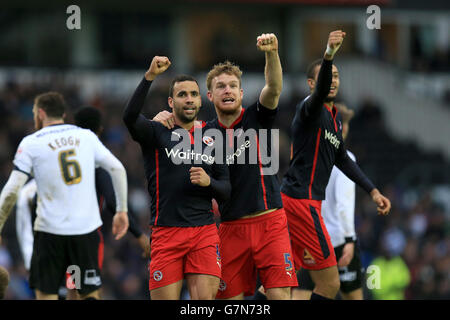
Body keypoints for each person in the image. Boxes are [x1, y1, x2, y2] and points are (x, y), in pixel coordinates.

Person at [154, 33, 298, 300]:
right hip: (230, 228)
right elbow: (169, 131)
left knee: (279, 296)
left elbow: (274, 87)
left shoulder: (257, 117)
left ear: (242, 93)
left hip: (269, 222)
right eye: (221, 86)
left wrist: (272, 53)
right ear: (210, 95)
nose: (227, 90)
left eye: (233, 85)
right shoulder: (203, 134)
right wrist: (163, 116)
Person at [280, 30, 391, 300]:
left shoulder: (334, 119)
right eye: (327, 77)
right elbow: (320, 93)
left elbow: (342, 158)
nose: (333, 81)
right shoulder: (310, 109)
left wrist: (373, 191)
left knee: (281, 283)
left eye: (337, 76)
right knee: (329, 284)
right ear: (311, 84)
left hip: (297, 201)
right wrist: (328, 54)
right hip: (303, 202)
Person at [0, 92, 129, 300]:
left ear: (41, 113)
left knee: (48, 293)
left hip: (50, 235)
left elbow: (13, 189)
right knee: (86, 292)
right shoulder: (86, 136)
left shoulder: (31, 142)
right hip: (84, 234)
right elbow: (117, 169)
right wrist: (122, 210)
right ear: (63, 113)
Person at [123, 56, 231, 300]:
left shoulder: (213, 137)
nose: (189, 99)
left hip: (203, 232)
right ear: (172, 101)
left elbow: (226, 190)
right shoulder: (156, 130)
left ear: (200, 99)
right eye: (183, 94)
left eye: (194, 94)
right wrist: (149, 76)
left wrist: (209, 183)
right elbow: (129, 117)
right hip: (166, 233)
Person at [293, 103, 365, 300]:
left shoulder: (308, 156)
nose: (345, 130)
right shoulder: (346, 159)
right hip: (338, 239)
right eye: (344, 125)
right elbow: (344, 204)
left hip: (312, 236)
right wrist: (349, 240)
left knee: (305, 292)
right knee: (352, 296)